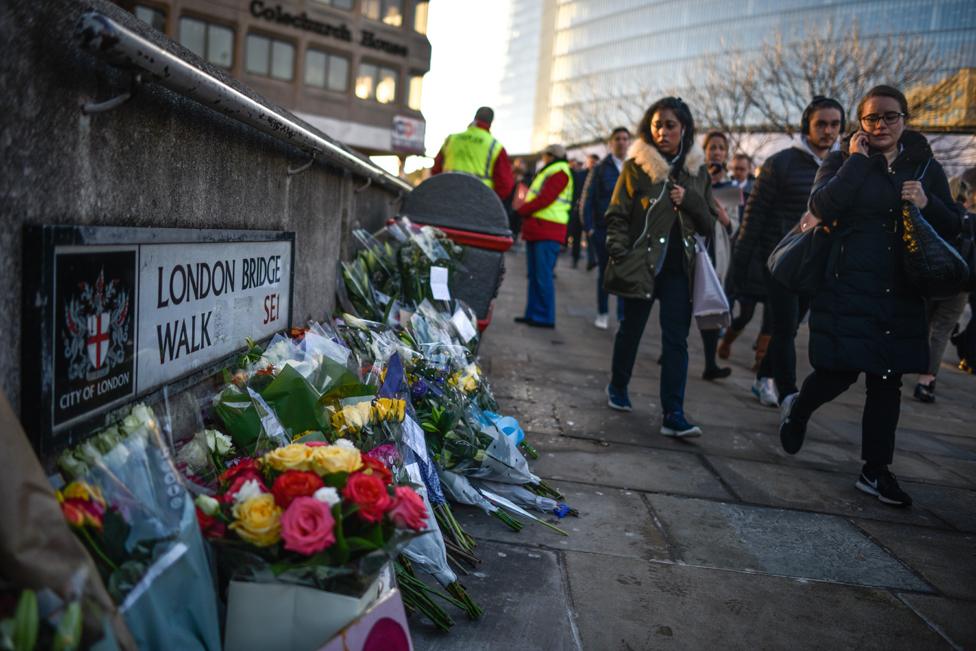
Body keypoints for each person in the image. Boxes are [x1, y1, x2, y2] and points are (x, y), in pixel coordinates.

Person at [780, 85, 964, 507]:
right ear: (859, 123)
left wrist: (928, 201)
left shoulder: (924, 165)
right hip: (848, 286)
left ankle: (875, 470)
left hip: (900, 291)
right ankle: (799, 409)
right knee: (838, 371)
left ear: (905, 119)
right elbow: (822, 205)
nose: (881, 125)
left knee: (887, 380)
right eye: (872, 118)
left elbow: (953, 224)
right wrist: (858, 162)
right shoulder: (843, 160)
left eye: (890, 117)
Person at [604, 97, 717, 437]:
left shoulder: (698, 170)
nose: (663, 131)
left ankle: (674, 413)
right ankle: (618, 386)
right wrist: (620, 253)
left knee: (676, 340)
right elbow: (617, 215)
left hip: (680, 269)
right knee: (631, 329)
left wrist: (692, 200)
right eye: (657, 125)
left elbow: (709, 222)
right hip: (642, 264)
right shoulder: (636, 167)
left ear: (684, 128)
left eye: (670, 125)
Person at [731, 96, 845, 408]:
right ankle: (789, 395)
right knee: (784, 328)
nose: (828, 130)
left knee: (791, 327)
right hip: (778, 261)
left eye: (834, 124)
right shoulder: (780, 163)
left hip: (816, 264)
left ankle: (762, 378)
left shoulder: (845, 167)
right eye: (821, 123)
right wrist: (737, 271)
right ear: (807, 125)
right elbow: (752, 220)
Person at [914, 172, 972, 402]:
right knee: (941, 331)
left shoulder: (936, 214)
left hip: (934, 279)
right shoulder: (970, 219)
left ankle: (907, 364)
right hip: (960, 283)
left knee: (923, 325)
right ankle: (926, 379)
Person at [514, 144, 574, 328]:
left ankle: (544, 317)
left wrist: (522, 209)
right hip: (540, 229)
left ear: (551, 156)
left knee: (542, 276)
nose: (543, 158)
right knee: (535, 275)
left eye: (545, 155)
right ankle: (533, 313)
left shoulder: (559, 172)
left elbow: (545, 199)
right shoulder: (552, 170)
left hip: (548, 230)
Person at [582, 127, 631, 330]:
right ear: (611, 143)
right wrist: (590, 229)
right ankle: (602, 312)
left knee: (622, 274)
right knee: (605, 273)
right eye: (617, 139)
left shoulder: (634, 167)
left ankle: (621, 316)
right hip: (604, 229)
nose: (621, 142)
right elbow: (588, 199)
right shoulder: (601, 168)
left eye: (625, 139)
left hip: (627, 231)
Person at [699, 131, 735, 380]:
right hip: (694, 248)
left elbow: (734, 225)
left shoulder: (731, 187)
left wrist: (720, 211)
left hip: (716, 253)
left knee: (711, 310)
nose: (717, 152)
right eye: (712, 147)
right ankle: (669, 351)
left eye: (721, 148)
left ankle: (710, 363)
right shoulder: (696, 180)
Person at [431, 106, 514, 203]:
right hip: (477, 202)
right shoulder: (495, 146)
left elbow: (436, 170)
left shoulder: (452, 139)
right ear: (491, 122)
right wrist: (489, 202)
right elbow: (505, 185)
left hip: (447, 196)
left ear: (475, 118)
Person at [567, 159, 588, 268]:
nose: (577, 166)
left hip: (580, 210)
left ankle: (576, 257)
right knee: (574, 234)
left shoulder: (584, 175)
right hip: (573, 209)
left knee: (578, 235)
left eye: (580, 164)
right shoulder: (574, 175)